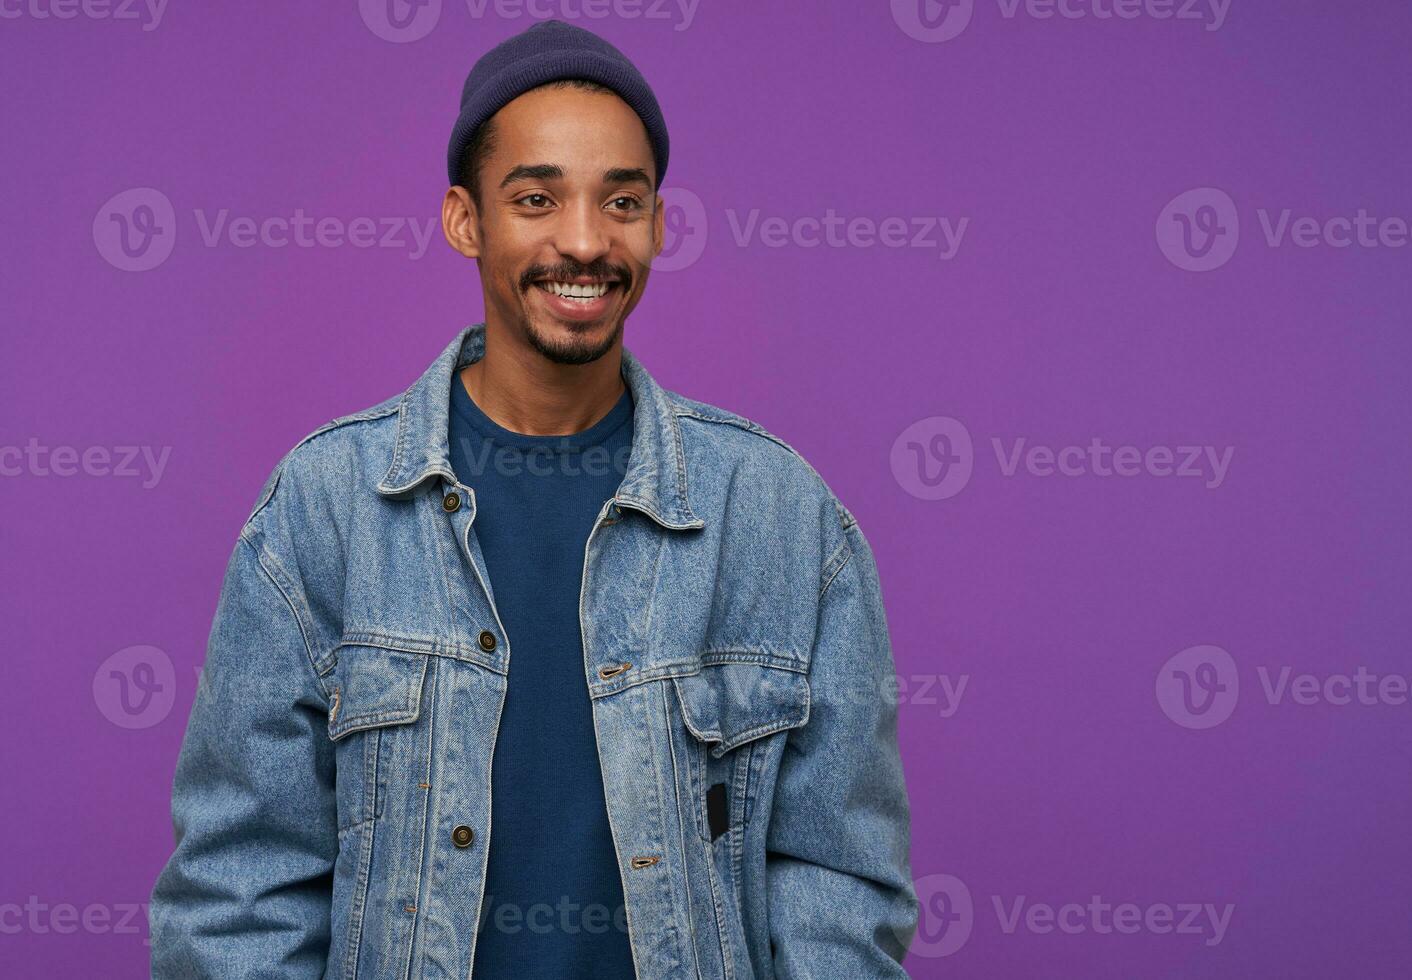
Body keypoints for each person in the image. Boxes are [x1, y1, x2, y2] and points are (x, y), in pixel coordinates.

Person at [149, 19, 917, 979]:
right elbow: (238, 894)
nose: (585, 241)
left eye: (622, 200)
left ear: (660, 223)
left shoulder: (782, 519)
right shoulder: (323, 508)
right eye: (537, 197)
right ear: (465, 219)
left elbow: (840, 891)